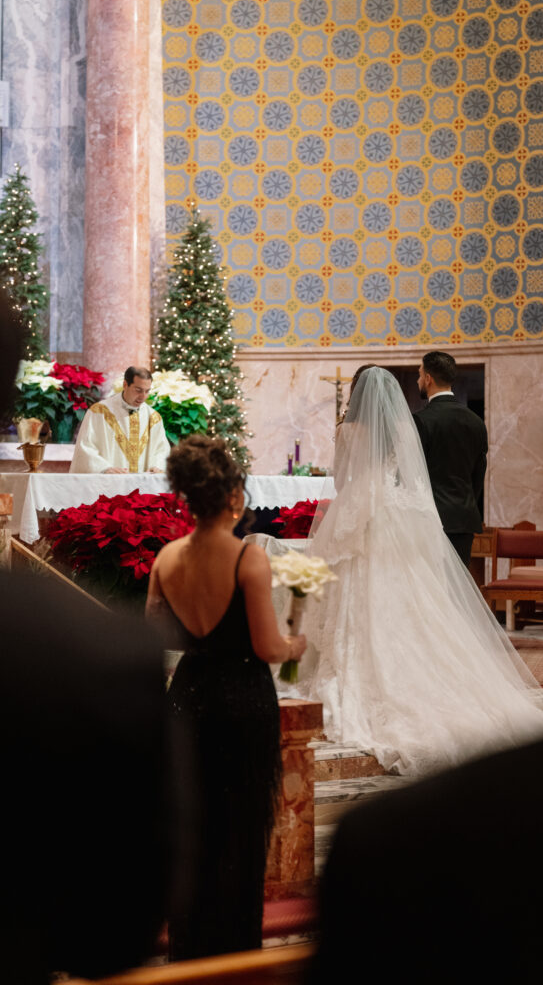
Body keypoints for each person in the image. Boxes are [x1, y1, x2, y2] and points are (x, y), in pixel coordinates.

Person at [311, 306, 543, 983]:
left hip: (399, 521)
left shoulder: (411, 843)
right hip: (437, 520)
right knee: (438, 611)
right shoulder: (475, 422)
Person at [0, 290, 170, 984]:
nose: (141, 394)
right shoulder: (89, 656)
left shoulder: (153, 418)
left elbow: (156, 453)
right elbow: (117, 925)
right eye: (138, 383)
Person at [297, 366, 543, 777]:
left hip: (359, 514)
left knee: (356, 592)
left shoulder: (348, 431)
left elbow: (342, 482)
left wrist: (357, 495)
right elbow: (412, 477)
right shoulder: (404, 426)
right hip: (397, 514)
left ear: (355, 395)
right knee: (412, 599)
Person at [146, 435, 306, 960]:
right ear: (233, 497)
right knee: (239, 833)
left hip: (188, 699)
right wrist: (297, 643)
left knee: (193, 832)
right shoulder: (248, 560)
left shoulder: (166, 559)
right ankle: (233, 958)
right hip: (241, 703)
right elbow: (267, 648)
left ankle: (187, 953)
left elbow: (158, 634)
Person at [414, 350, 487, 567]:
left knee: (432, 589)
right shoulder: (476, 421)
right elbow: (478, 473)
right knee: (458, 590)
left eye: (420, 375)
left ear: (428, 379)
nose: (419, 380)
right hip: (464, 519)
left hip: (430, 519)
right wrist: (465, 501)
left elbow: (414, 472)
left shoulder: (421, 421)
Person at [70, 365, 170, 473]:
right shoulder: (99, 412)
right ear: (125, 385)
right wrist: (104, 468)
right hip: (109, 485)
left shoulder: (153, 417)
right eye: (138, 390)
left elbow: (161, 450)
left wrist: (157, 466)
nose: (143, 397)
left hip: (143, 486)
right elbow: (86, 448)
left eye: (147, 391)